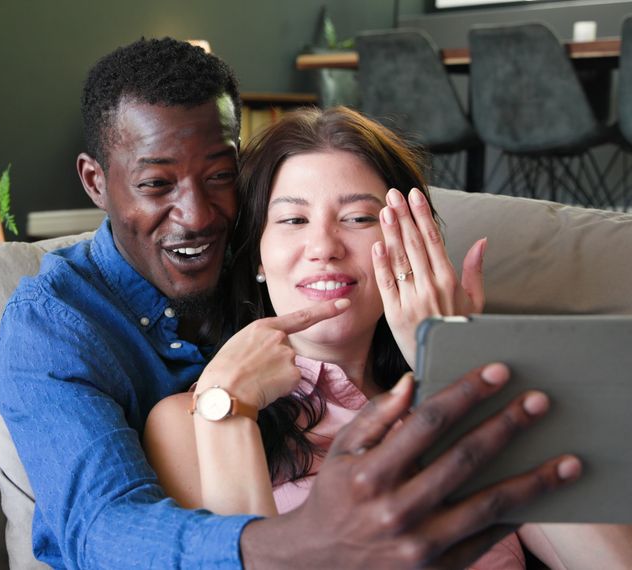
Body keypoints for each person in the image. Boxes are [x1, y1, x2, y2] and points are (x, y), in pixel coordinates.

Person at [0, 37, 580, 569]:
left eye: (220, 176)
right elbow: (100, 529)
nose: (197, 216)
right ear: (96, 182)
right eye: (156, 184)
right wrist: (233, 419)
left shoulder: (464, 379)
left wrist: (460, 363)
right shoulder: (61, 328)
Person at [143, 106, 632, 570]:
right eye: (293, 220)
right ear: (256, 259)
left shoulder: (480, 401)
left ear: (411, 245)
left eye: (357, 218)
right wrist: (229, 409)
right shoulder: (193, 423)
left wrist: (459, 364)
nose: (324, 248)